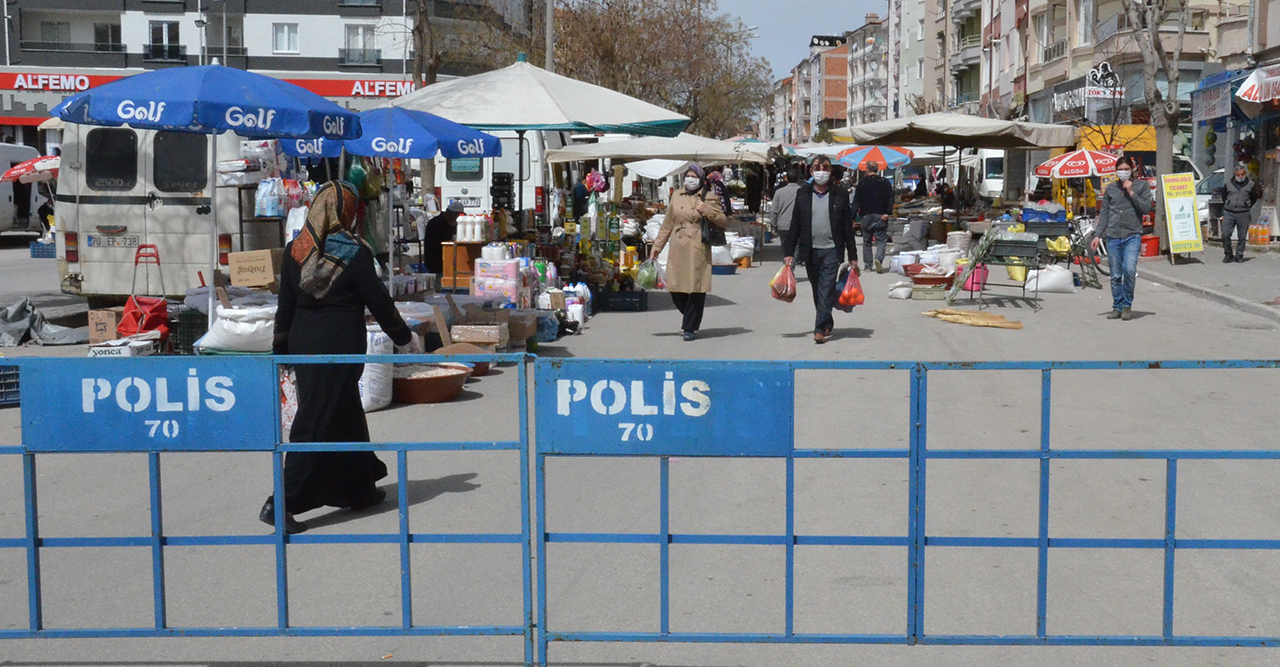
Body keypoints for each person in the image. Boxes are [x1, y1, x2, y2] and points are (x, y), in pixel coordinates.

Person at [265, 181, 423, 534]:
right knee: (316, 422)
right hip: (337, 348)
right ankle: (282, 502)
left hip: (304, 346)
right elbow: (379, 301)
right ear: (345, 213)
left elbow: (284, 308)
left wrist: (281, 353)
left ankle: (359, 488)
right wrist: (405, 338)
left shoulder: (296, 250)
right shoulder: (354, 254)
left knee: (344, 412)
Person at [783, 156, 858, 344]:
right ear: (810, 171)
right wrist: (789, 253)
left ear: (830, 171)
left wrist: (853, 255)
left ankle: (819, 329)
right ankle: (826, 321)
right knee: (817, 290)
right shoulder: (803, 193)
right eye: (817, 167)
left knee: (826, 288)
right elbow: (795, 225)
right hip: (810, 250)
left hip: (832, 249)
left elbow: (847, 227)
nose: (821, 170)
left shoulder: (839, 193)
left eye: (825, 167)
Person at [650, 165, 727, 341]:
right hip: (678, 245)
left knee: (696, 288)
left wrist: (706, 210)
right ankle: (691, 316)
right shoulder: (677, 195)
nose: (690, 179)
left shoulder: (709, 197)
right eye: (688, 176)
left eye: (694, 176)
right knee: (675, 287)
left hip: (697, 245)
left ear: (700, 179)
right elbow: (667, 224)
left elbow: (723, 220)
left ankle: (689, 327)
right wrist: (656, 247)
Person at [1091, 156, 1152, 321]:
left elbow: (1146, 208)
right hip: (1113, 236)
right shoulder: (1111, 188)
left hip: (1133, 234)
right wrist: (1098, 235)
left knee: (1129, 270)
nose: (1123, 172)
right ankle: (1117, 306)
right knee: (1116, 274)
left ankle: (1127, 305)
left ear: (1132, 169)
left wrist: (1131, 192)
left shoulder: (1141, 186)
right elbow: (1104, 213)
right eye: (1120, 169)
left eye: (1126, 169)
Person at [852, 162, 895, 273]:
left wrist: (852, 217)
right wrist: (887, 212)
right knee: (881, 240)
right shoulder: (885, 182)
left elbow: (856, 201)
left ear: (867, 170)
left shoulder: (862, 183)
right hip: (880, 215)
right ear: (877, 169)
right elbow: (890, 198)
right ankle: (878, 260)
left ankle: (867, 266)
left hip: (866, 215)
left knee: (867, 241)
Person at [1218, 163, 1260, 263]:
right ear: (1235, 175)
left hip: (1243, 213)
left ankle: (1239, 255)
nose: (1240, 177)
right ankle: (1228, 254)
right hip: (1229, 212)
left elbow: (1254, 197)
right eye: (1238, 175)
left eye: (1242, 174)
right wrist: (1229, 204)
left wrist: (1246, 205)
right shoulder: (1228, 183)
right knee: (1225, 234)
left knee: (1242, 235)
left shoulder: (1250, 184)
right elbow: (1224, 196)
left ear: (1245, 174)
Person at [420, 200, 465, 275]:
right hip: (436, 260)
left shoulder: (450, 223)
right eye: (456, 215)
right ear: (451, 213)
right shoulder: (436, 223)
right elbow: (438, 242)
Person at [767, 166, 801, 236]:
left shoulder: (779, 192)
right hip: (799, 226)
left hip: (783, 225)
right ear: (797, 179)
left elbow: (773, 211)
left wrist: (774, 225)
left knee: (785, 246)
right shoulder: (803, 191)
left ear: (786, 179)